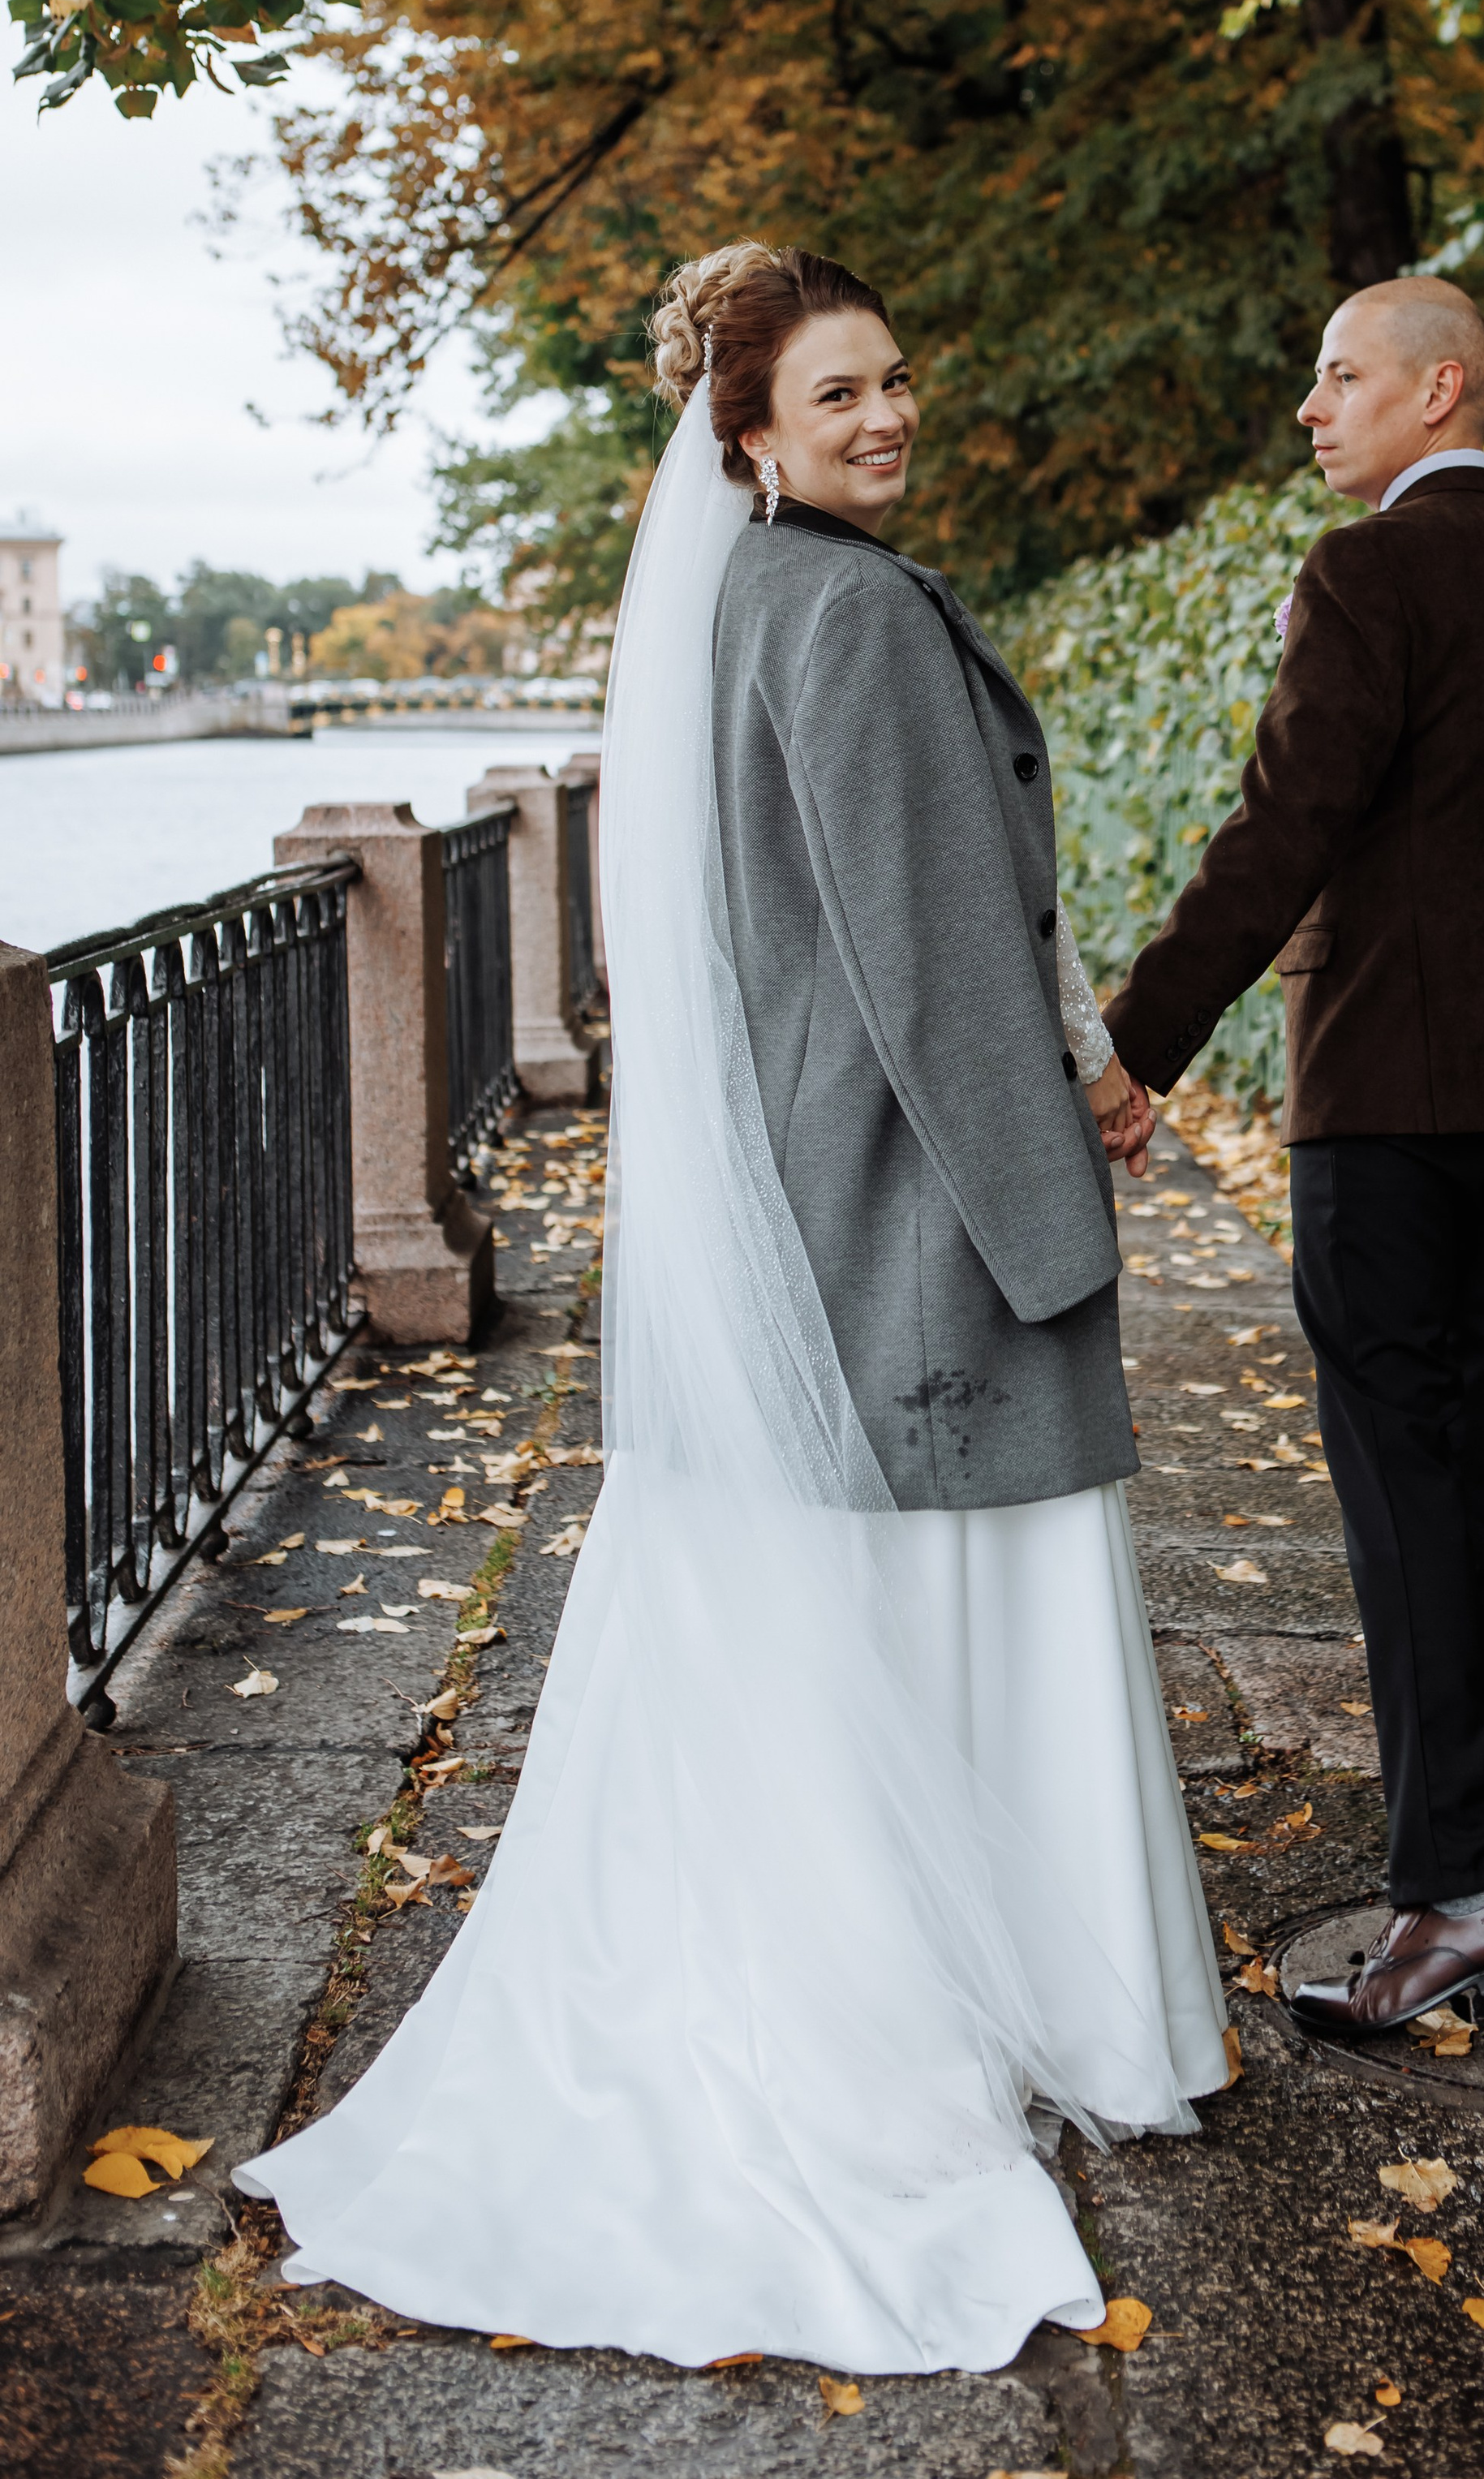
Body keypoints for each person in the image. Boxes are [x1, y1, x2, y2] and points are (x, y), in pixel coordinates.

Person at [235, 242, 1228, 2372]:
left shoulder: (747, 605)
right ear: (752, 435)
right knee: (985, 1601)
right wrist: (1059, 1202)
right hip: (916, 1212)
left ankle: (939, 1997)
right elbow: (932, 964)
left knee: (866, 1639)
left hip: (822, 1188)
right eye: (840, 393)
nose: (887, 417)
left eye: (896, 380)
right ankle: (1028, 2017)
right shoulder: (850, 615)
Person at [1103, 274, 1484, 2039]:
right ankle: (1476, 1859)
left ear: (1440, 388)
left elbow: (1286, 823)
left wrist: (1134, 1046)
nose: (1309, 408)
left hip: (1388, 1105)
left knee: (1404, 1489)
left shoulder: (1365, 577)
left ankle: (1454, 1892)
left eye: (1339, 376)